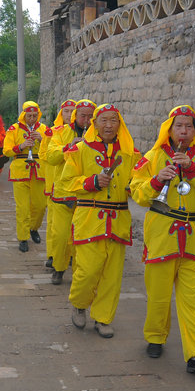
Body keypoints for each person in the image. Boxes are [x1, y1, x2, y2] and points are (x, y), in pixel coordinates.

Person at [131, 106, 195, 373]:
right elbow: (137, 194)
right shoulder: (152, 156)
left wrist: (194, 171)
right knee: (159, 294)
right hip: (162, 232)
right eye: (179, 126)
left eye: (189, 126)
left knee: (194, 299)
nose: (184, 131)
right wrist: (154, 180)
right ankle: (155, 337)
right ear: (169, 130)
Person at [60, 103, 139, 338]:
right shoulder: (80, 150)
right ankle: (79, 303)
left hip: (118, 219)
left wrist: (135, 187)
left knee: (112, 275)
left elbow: (138, 181)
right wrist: (91, 182)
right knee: (86, 271)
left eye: (113, 120)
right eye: (103, 120)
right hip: (89, 218)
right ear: (94, 123)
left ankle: (103, 317)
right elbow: (65, 183)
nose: (108, 125)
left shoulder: (130, 154)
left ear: (119, 124)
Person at [45, 99, 95, 285]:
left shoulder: (99, 137)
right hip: (63, 192)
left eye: (91, 116)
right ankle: (58, 268)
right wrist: (69, 147)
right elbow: (50, 157)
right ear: (76, 115)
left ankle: (79, 272)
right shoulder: (59, 132)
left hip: (86, 195)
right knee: (60, 236)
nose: (87, 120)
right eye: (83, 116)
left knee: (82, 238)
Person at [3, 102, 51, 253]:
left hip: (40, 171)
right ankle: (22, 237)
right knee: (22, 207)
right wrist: (22, 146)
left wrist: (42, 140)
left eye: (34, 116)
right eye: (29, 116)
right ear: (24, 115)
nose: (32, 118)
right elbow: (6, 151)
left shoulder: (44, 129)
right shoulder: (14, 129)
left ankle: (33, 228)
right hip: (20, 171)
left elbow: (53, 149)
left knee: (40, 205)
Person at [45, 100, 77, 269]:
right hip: (56, 183)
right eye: (66, 111)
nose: (69, 114)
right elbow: (46, 156)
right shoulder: (55, 132)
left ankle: (71, 256)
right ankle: (53, 255)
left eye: (73, 111)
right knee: (56, 227)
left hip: (79, 188)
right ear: (61, 114)